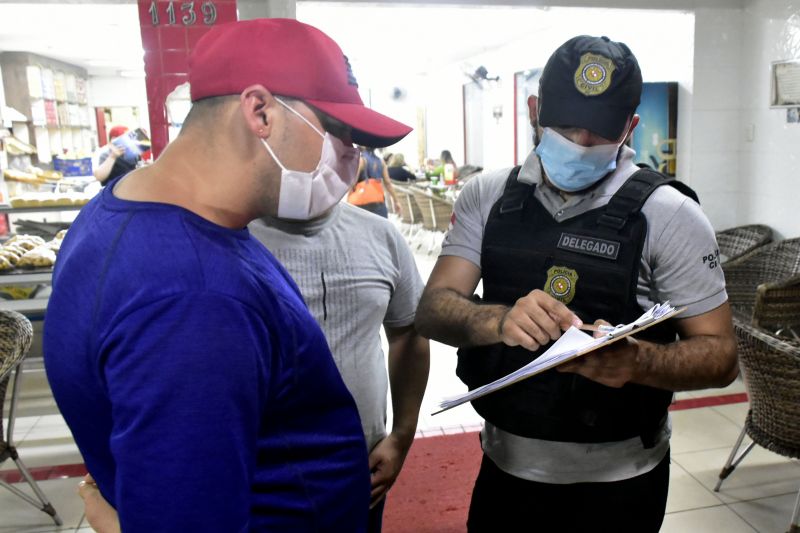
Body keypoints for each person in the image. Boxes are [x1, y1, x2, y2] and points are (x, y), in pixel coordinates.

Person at [43, 18, 411, 532]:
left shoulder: (127, 211)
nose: (353, 159)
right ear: (259, 111)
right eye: (340, 134)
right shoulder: (196, 299)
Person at [414, 35, 738, 532]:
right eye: (565, 127)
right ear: (533, 110)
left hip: (620, 483)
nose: (581, 143)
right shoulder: (488, 196)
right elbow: (433, 309)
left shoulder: (671, 214)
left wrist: (637, 361)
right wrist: (499, 320)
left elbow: (721, 357)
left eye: (600, 132)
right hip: (505, 465)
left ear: (629, 127)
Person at [249, 192, 429, 532]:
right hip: (261, 474)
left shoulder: (381, 235)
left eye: (354, 145)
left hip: (361, 465)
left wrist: (402, 435)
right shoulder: (234, 237)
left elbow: (409, 333)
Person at [348, 145, 402, 218]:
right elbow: (388, 183)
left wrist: (348, 198)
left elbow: (352, 183)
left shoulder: (361, 160)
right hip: (378, 202)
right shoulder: (381, 161)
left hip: (362, 204)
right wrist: (396, 201)